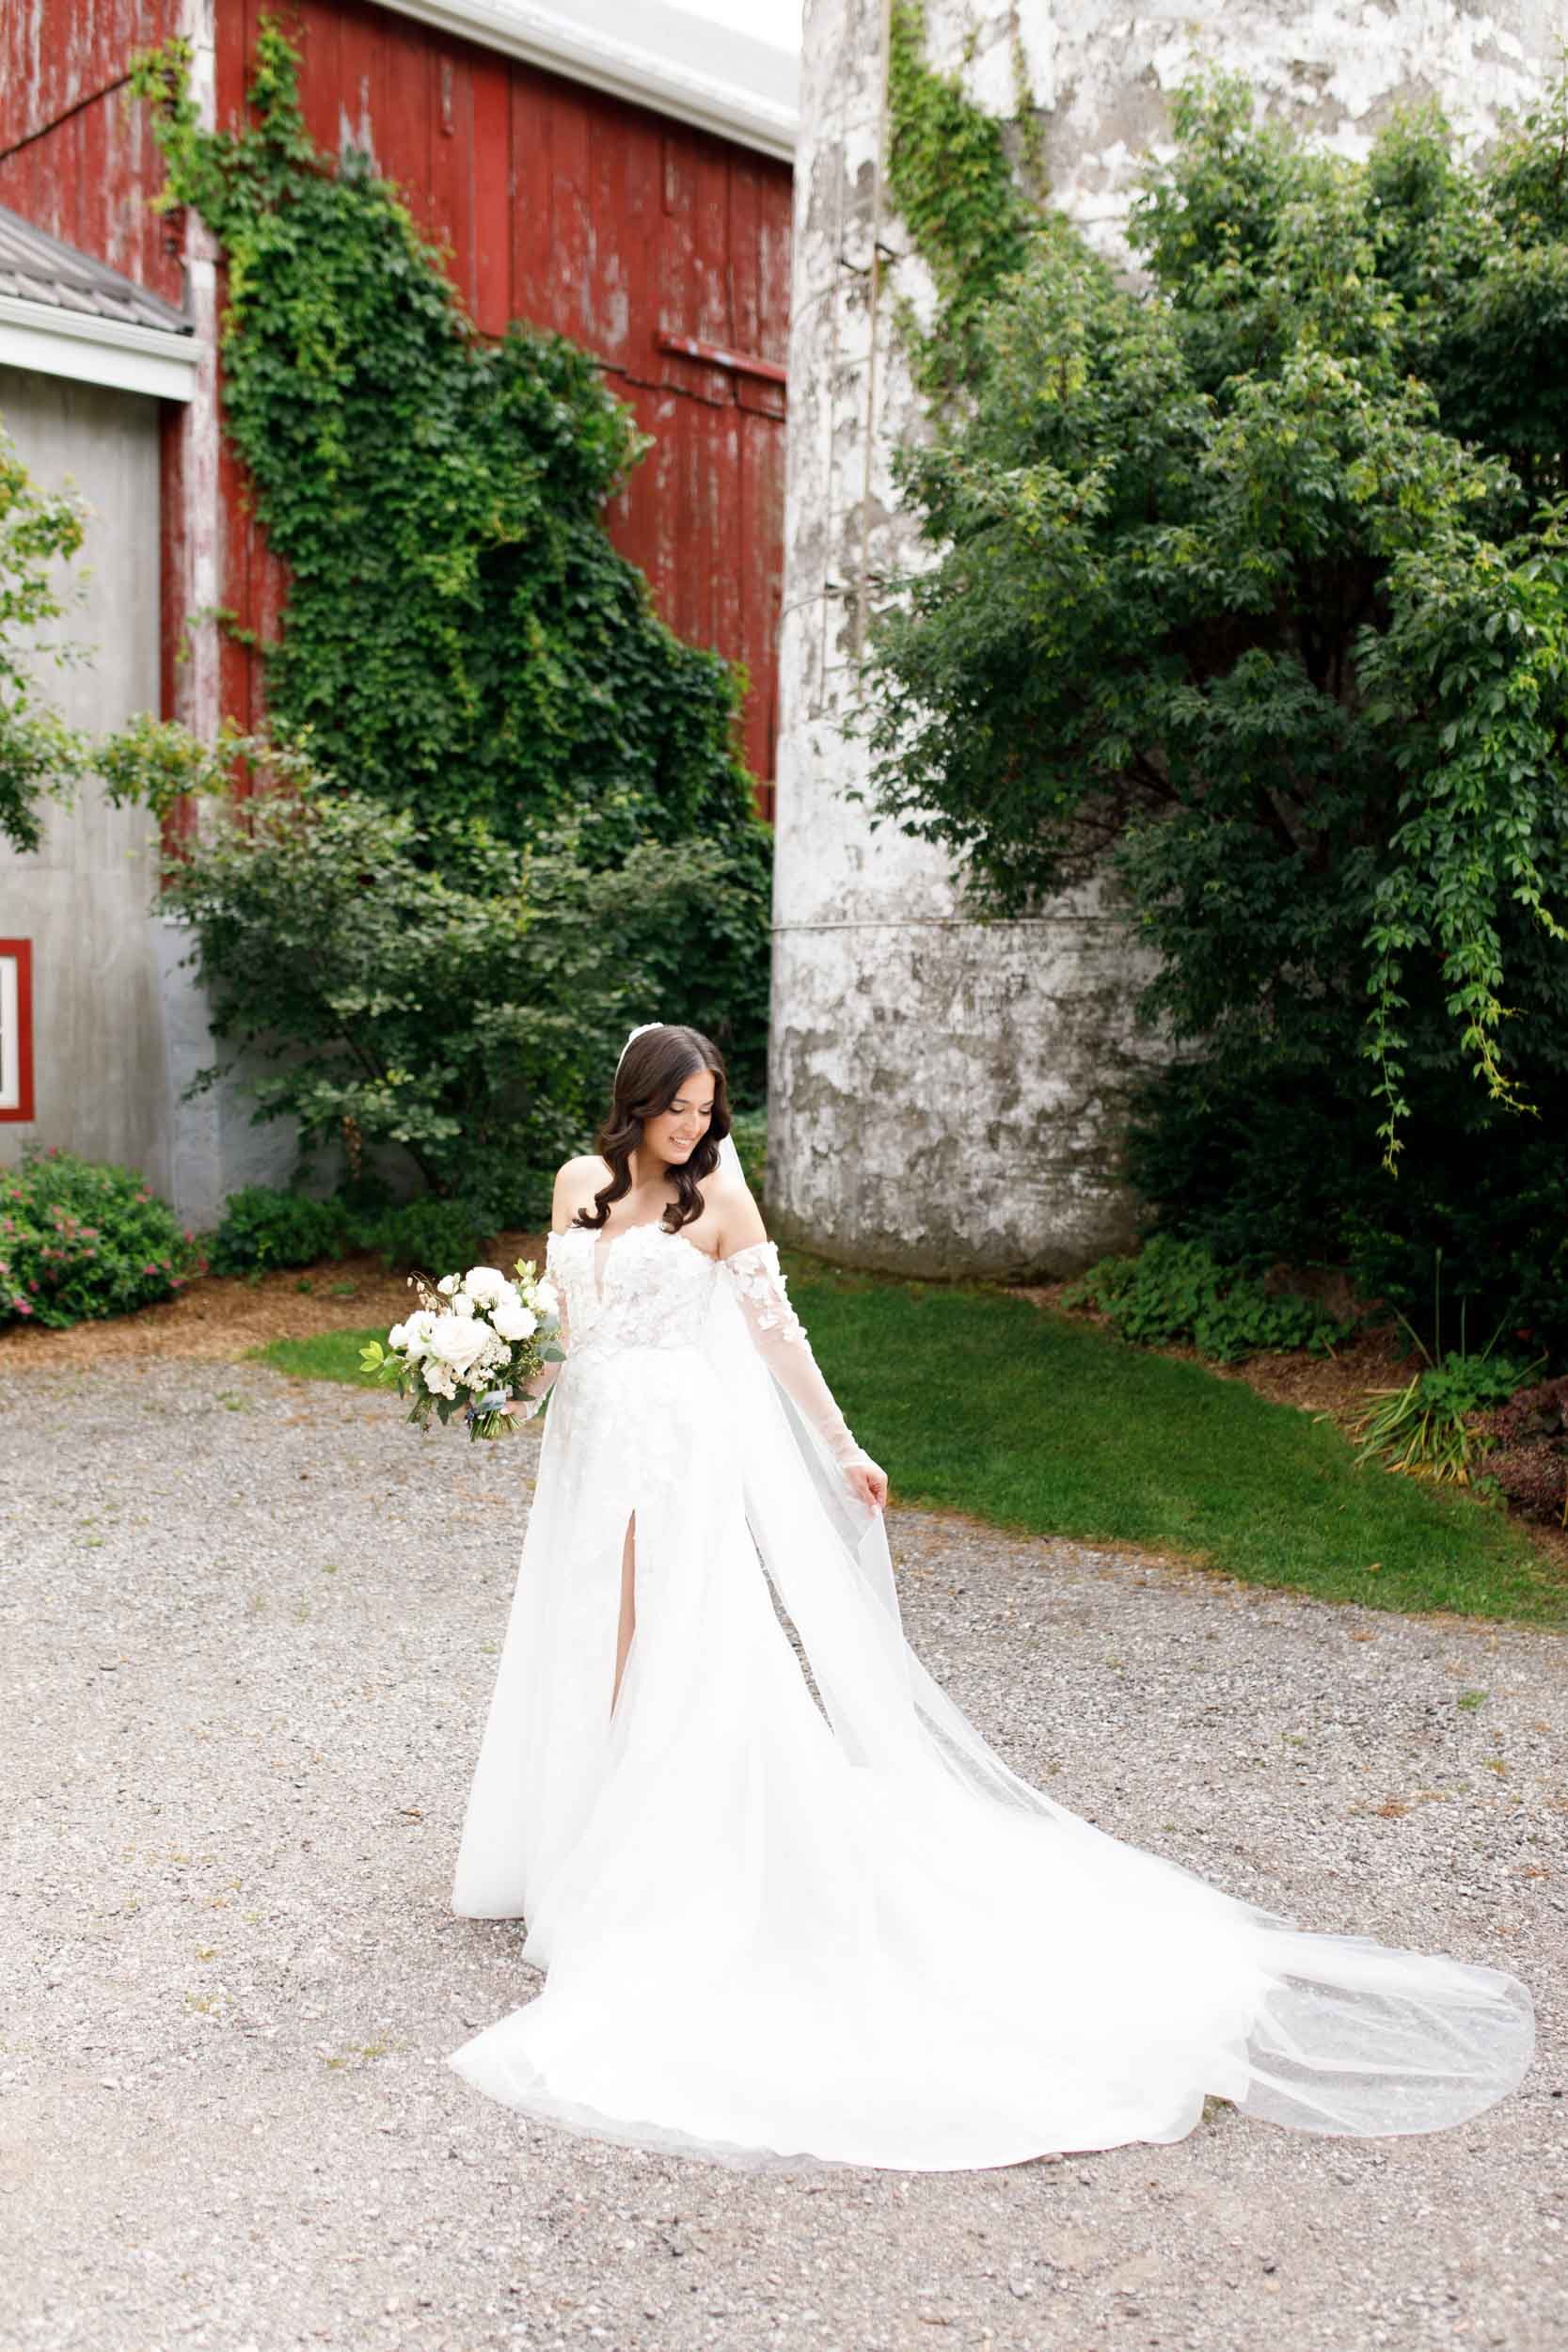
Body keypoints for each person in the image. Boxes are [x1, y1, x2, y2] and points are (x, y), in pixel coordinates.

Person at [446, 1022, 1533, 2170]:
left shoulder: (720, 1202)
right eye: (679, 1106)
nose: (695, 1124)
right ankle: (567, 1847)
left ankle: (650, 1872)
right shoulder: (576, 1183)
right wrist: (498, 1380)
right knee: (586, 1639)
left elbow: (774, 1335)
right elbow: (572, 1330)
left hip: (678, 1450)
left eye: (708, 1107)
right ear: (635, 1100)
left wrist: (842, 1445)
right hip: (591, 1447)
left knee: (673, 1647)